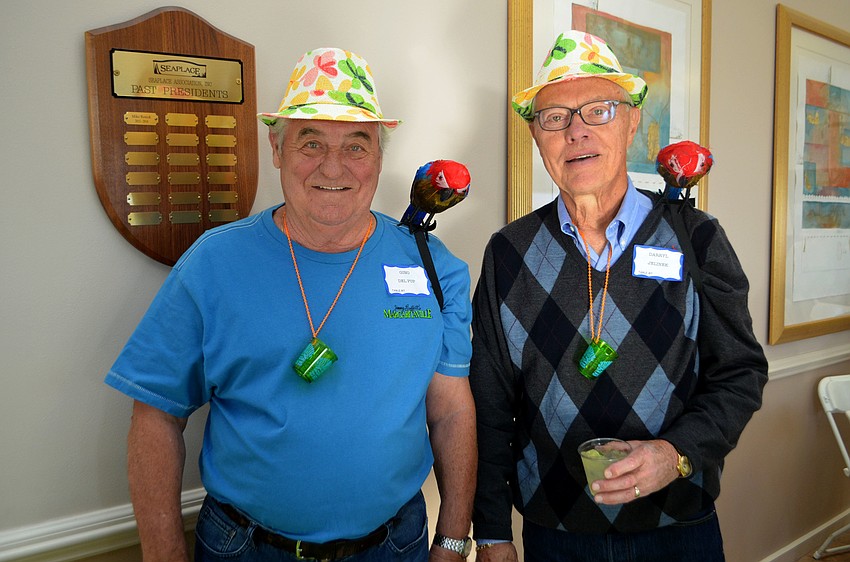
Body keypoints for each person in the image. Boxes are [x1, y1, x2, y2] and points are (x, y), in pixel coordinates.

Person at [105, 47, 477, 562]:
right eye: (311, 142)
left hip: (395, 545)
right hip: (245, 547)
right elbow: (155, 414)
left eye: (357, 145)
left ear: (379, 157)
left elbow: (452, 409)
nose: (333, 166)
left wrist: (454, 540)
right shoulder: (214, 264)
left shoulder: (436, 267)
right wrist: (163, 553)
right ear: (276, 149)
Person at [469, 30, 768, 561]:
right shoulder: (508, 253)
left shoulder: (695, 237)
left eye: (598, 111)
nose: (576, 131)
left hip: (679, 526)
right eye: (555, 117)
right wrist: (492, 530)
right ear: (537, 136)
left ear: (632, 123)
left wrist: (675, 454)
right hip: (554, 534)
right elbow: (489, 405)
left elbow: (740, 372)